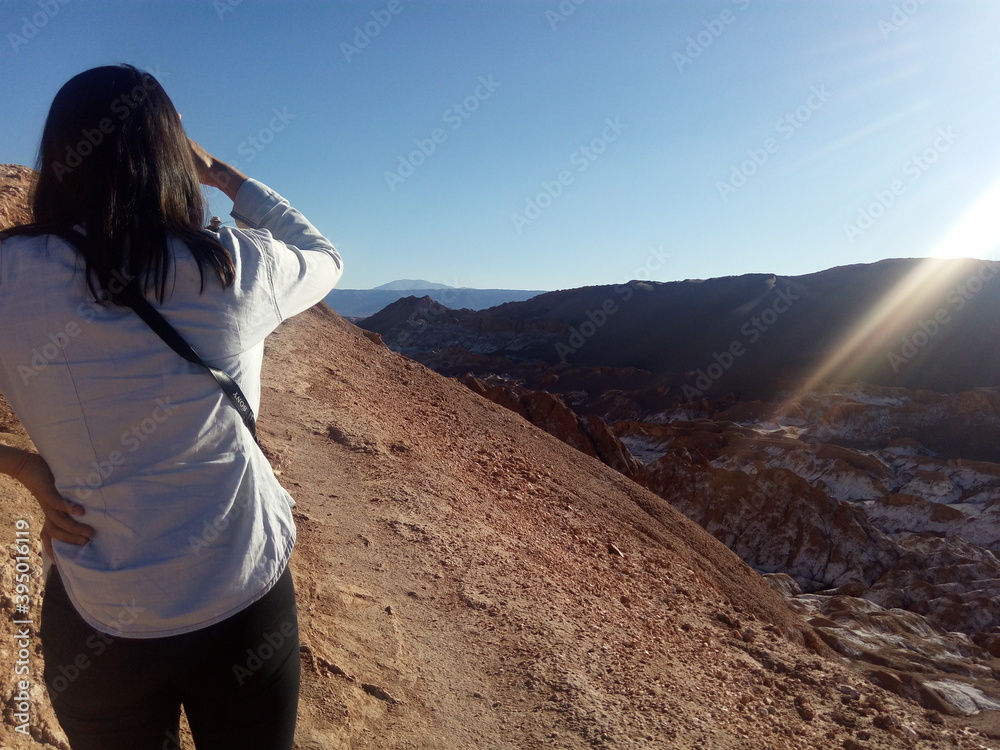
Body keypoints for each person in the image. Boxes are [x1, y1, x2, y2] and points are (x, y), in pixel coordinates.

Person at [0, 64, 342, 749]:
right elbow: (322, 255)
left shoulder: (10, 275)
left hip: (98, 618)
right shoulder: (227, 270)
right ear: (171, 157)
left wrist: (25, 468)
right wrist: (220, 174)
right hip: (239, 599)